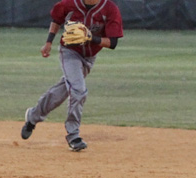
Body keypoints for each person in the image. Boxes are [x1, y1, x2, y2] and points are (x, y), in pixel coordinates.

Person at [20, 0, 124, 151]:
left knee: (62, 91)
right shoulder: (69, 4)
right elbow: (56, 19)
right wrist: (48, 42)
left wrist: (90, 38)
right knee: (79, 90)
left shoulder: (110, 9)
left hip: (89, 57)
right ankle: (73, 135)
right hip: (69, 52)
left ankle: (33, 116)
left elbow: (113, 43)